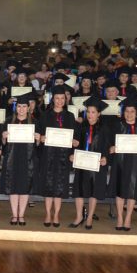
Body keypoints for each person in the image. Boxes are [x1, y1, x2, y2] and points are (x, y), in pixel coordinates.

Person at [108, 96, 137, 231]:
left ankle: (128, 218)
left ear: (136, 113)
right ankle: (120, 217)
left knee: (132, 191)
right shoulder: (117, 126)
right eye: (127, 111)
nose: (129, 114)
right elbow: (109, 144)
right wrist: (111, 148)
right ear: (123, 112)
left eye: (132, 111)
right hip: (120, 162)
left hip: (135, 162)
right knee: (120, 189)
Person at [36, 86, 77, 227]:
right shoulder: (45, 115)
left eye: (62, 98)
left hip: (63, 156)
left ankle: (57, 214)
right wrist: (41, 138)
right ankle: (48, 213)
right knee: (48, 185)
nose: (59, 101)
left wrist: (74, 142)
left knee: (60, 185)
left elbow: (74, 137)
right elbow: (40, 135)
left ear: (66, 100)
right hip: (48, 154)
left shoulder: (70, 116)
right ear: (53, 99)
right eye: (57, 98)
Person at [69, 97, 109, 230]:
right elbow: (74, 143)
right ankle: (79, 216)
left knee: (93, 191)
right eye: (88, 112)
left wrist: (106, 158)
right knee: (79, 190)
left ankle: (90, 217)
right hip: (81, 164)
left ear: (99, 114)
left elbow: (108, 147)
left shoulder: (104, 128)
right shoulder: (80, 126)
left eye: (93, 112)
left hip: (96, 165)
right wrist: (72, 152)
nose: (90, 115)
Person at [1, 96, 39, 226]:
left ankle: (21, 215)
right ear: (15, 108)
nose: (21, 109)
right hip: (12, 158)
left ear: (28, 108)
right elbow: (3, 145)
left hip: (27, 159)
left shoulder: (34, 122)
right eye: (19, 106)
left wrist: (38, 139)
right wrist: (3, 138)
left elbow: (38, 146)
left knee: (24, 186)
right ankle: (14, 214)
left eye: (24, 106)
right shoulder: (8, 121)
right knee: (13, 186)